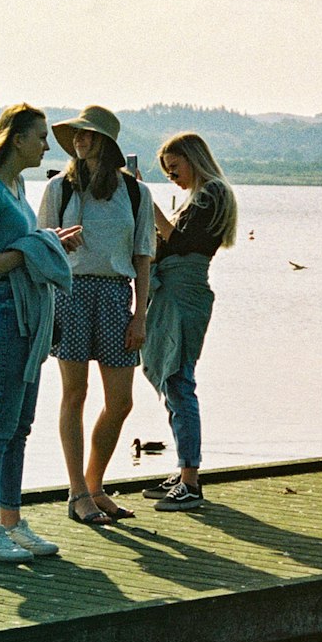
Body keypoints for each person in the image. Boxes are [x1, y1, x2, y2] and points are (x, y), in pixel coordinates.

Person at [0, 104, 80, 562]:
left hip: (28, 316)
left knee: (21, 426)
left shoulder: (18, 186)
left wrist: (47, 240)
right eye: (39, 137)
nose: (46, 146)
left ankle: (11, 520)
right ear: (16, 139)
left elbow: (19, 247)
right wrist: (36, 247)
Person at [38, 105, 155, 525]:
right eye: (76, 136)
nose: (80, 141)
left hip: (115, 293)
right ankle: (78, 493)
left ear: (105, 142)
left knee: (120, 402)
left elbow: (143, 257)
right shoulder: (59, 189)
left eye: (87, 135)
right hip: (69, 292)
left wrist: (140, 315)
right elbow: (41, 247)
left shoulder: (136, 192)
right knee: (74, 395)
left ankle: (95, 484)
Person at [140, 132, 238, 511]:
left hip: (185, 294)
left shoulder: (212, 194)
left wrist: (148, 205)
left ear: (193, 160)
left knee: (179, 381)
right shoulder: (198, 197)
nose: (171, 176)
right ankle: (184, 471)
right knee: (171, 380)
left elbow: (178, 243)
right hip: (176, 293)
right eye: (166, 172)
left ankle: (191, 481)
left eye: (174, 168)